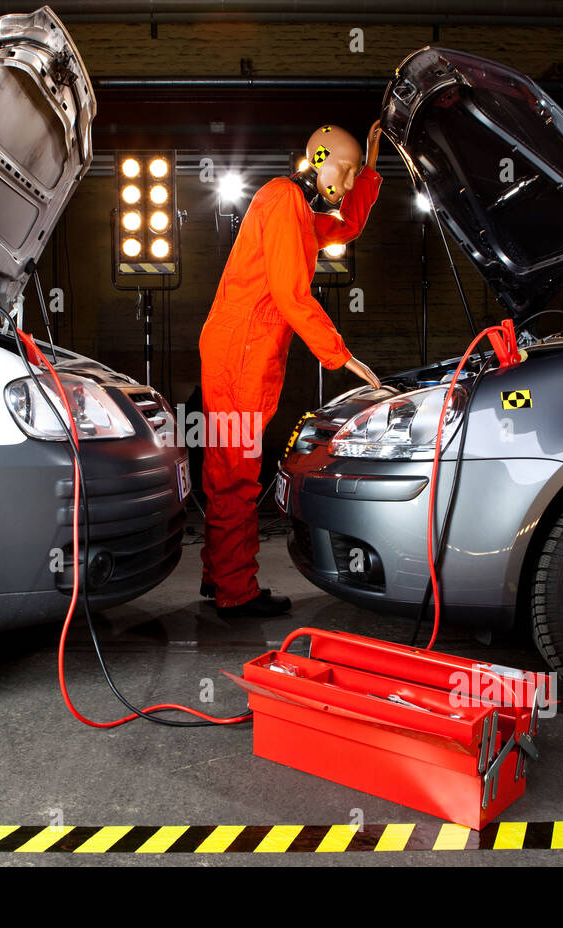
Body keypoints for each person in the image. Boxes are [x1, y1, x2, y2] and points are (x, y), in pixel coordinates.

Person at [198, 122, 383, 618]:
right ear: (316, 156)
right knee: (235, 473)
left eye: (351, 175)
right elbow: (290, 293)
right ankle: (235, 592)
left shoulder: (299, 209)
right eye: (343, 170)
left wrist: (369, 171)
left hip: (245, 348)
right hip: (240, 351)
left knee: (228, 466)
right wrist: (340, 354)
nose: (343, 184)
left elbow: (347, 226)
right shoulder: (282, 198)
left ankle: (218, 575)